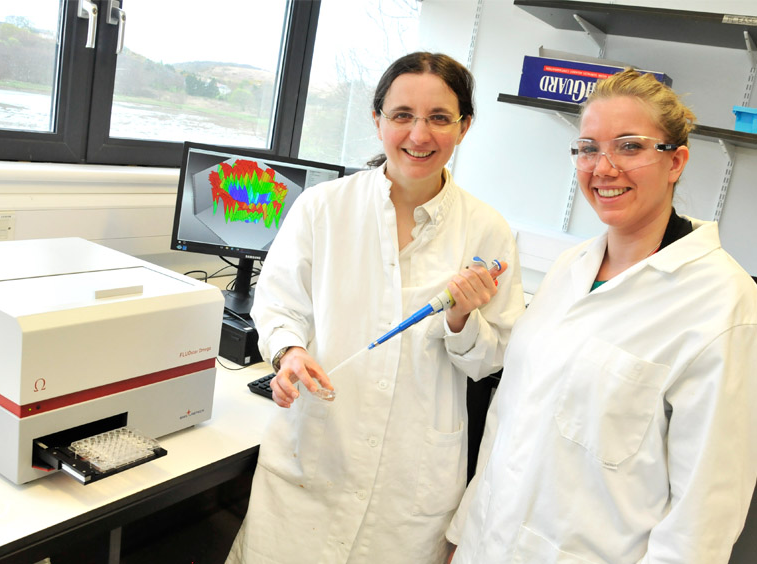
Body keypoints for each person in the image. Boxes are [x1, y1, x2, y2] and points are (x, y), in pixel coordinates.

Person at [226, 52, 526, 564]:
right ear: (377, 119)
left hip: (410, 482)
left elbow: (490, 362)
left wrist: (460, 320)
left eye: (439, 118)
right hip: (315, 454)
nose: (419, 135)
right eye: (403, 115)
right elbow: (279, 304)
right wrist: (289, 353)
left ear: (464, 126)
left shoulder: (487, 230)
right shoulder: (324, 207)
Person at [446, 69, 757, 563]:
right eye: (589, 148)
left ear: (675, 162)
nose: (603, 167)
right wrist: (464, 537)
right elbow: (509, 422)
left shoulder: (721, 301)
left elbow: (705, 513)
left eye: (630, 146)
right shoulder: (571, 268)